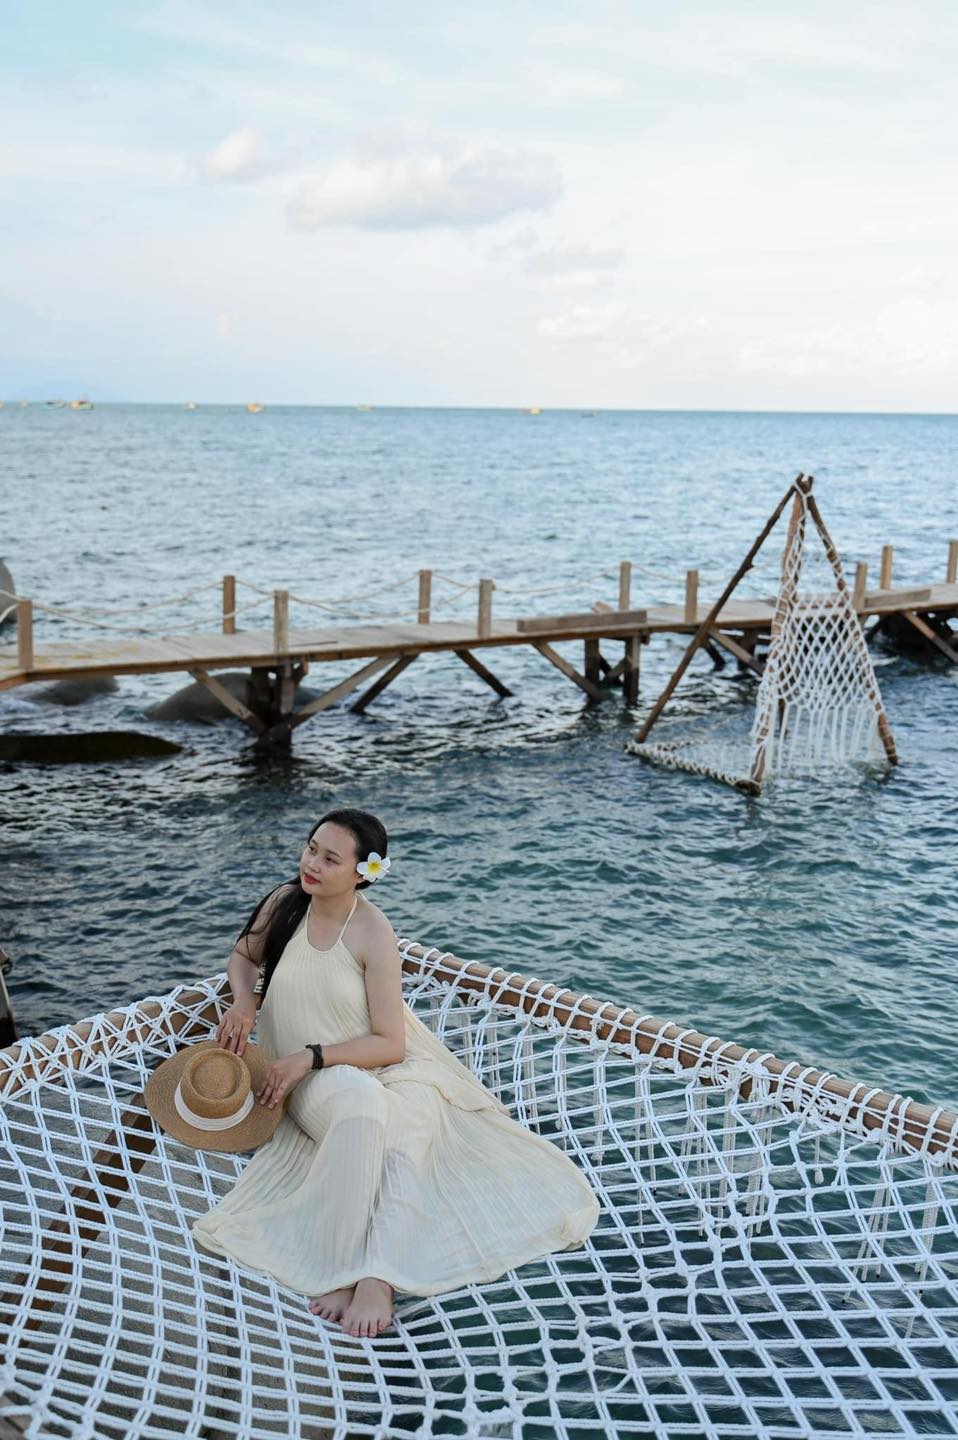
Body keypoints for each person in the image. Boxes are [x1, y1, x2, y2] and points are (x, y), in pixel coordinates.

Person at [190, 807, 601, 1339]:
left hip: (361, 1061)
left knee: (408, 1124)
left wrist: (310, 1055)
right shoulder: (284, 903)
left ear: (362, 873)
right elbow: (244, 957)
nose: (311, 864)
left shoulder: (372, 931)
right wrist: (245, 1002)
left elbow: (390, 1042)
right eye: (311, 848)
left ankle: (375, 1276)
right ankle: (342, 1267)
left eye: (330, 859)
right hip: (309, 1080)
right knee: (363, 1106)